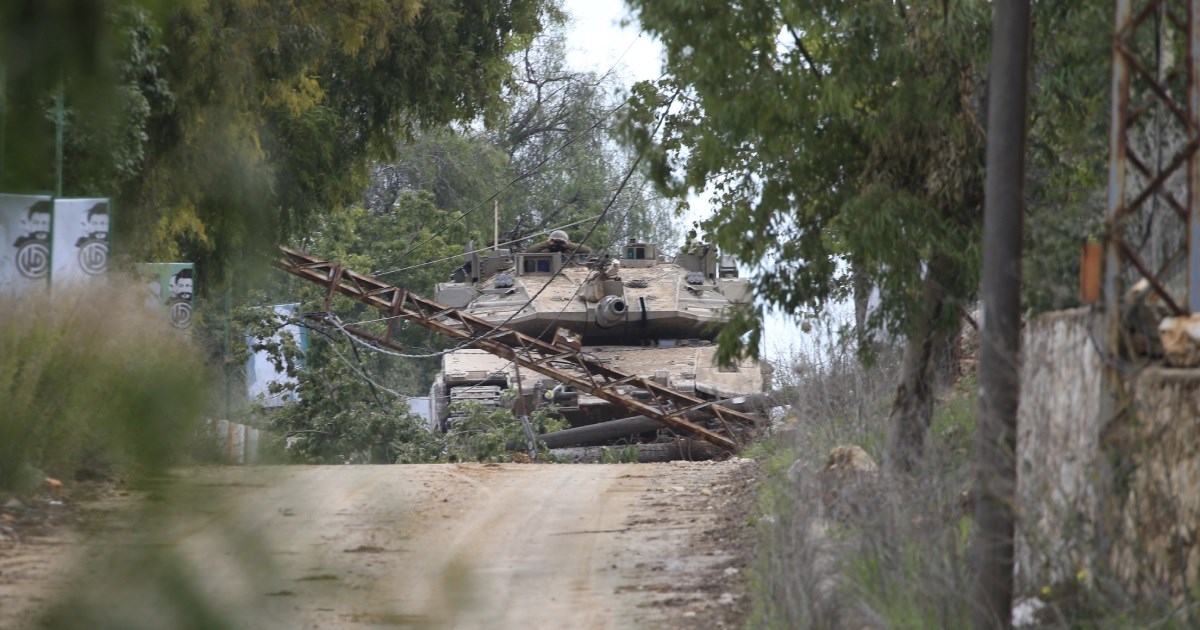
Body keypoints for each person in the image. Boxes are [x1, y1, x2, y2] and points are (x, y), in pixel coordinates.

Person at [526, 229, 593, 255]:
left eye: (561, 241)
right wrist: (547, 243)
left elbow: (587, 250)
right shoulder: (546, 251)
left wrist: (568, 245)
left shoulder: (571, 251)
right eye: (555, 240)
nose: (558, 243)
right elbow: (529, 251)